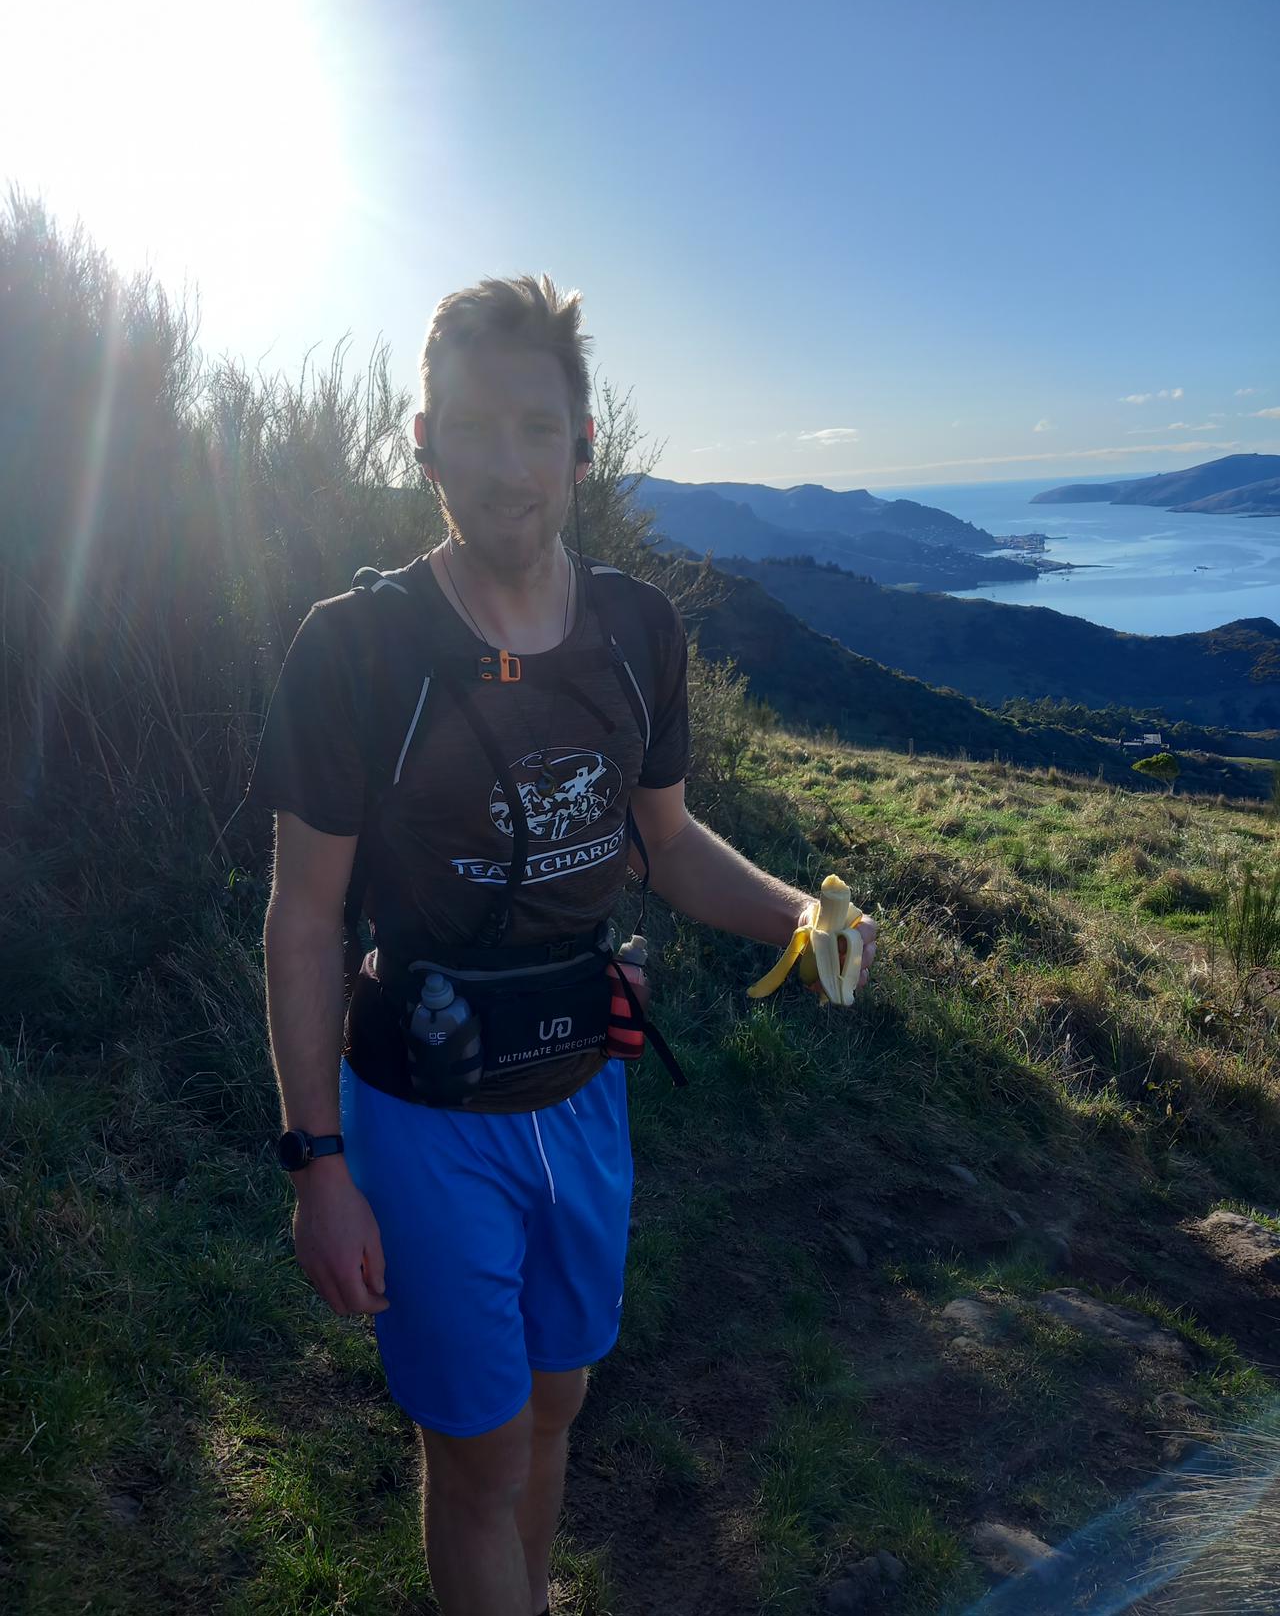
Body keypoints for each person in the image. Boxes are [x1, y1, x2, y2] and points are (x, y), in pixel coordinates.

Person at [246, 275, 877, 1616]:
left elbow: (668, 843)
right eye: (474, 428)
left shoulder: (637, 632)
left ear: (585, 445)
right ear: (423, 443)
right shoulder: (357, 650)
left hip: (586, 1095)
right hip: (425, 1115)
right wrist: (318, 1165)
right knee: (476, 1456)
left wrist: (799, 917)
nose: (508, 465)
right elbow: (303, 921)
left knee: (554, 1407)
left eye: (538, 428)